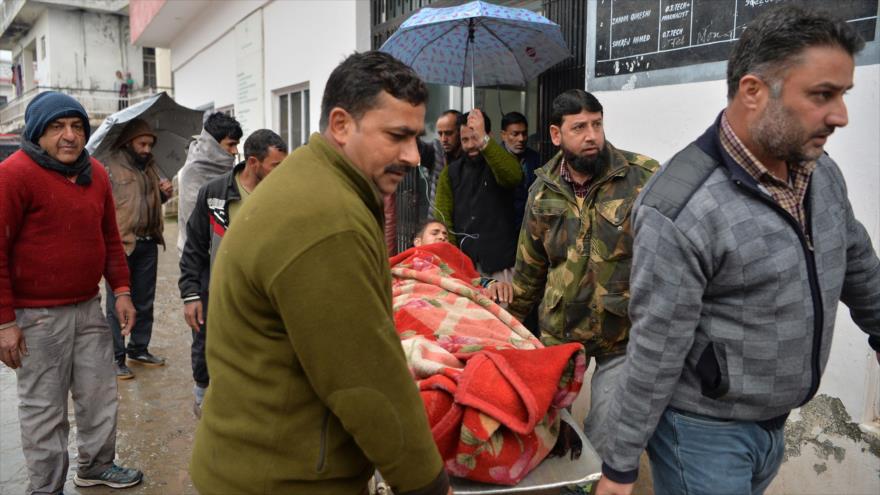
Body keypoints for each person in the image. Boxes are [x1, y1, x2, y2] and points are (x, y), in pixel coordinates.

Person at [596, 6, 880, 495]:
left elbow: (857, 264)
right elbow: (655, 348)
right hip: (703, 435)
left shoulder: (819, 172)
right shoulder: (681, 206)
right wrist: (620, 470)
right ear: (753, 92)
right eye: (822, 95)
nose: (840, 116)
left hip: (773, 424)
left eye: (843, 95)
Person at [189, 51, 451, 495]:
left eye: (416, 137)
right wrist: (427, 483)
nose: (413, 156)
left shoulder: (317, 182)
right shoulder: (328, 219)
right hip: (279, 479)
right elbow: (365, 381)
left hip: (257, 461)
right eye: (396, 136)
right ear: (342, 124)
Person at [0, 91, 143, 493]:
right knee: (44, 412)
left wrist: (122, 290)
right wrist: (5, 322)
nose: (69, 136)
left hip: (88, 308)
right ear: (36, 133)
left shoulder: (95, 173)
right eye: (57, 127)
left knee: (99, 395)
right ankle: (45, 488)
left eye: (77, 126)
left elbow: (110, 239)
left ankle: (96, 465)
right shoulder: (14, 175)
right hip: (36, 318)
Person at [507, 89, 659, 457]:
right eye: (579, 128)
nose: (592, 135)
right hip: (560, 331)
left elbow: (666, 256)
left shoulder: (642, 176)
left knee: (607, 436)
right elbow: (530, 269)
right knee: (550, 431)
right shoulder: (542, 192)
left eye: (597, 124)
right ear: (557, 135)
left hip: (620, 332)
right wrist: (507, 328)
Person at [178, 129, 287, 418]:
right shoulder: (214, 193)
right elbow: (194, 249)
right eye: (275, 166)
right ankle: (203, 401)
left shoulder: (281, 196)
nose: (282, 173)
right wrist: (190, 295)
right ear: (253, 163)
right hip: (215, 293)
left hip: (261, 298)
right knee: (205, 348)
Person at [102, 118, 173, 379]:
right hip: (120, 244)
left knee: (145, 301)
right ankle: (115, 357)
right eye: (142, 143)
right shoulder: (109, 166)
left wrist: (165, 194)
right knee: (117, 303)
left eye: (150, 145)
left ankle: (138, 348)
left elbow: (149, 201)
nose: (146, 149)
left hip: (148, 241)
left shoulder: (151, 167)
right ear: (129, 141)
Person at [434, 109, 523, 281]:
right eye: (464, 139)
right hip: (464, 266)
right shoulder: (450, 173)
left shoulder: (500, 162)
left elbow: (514, 177)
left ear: (487, 134)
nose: (470, 145)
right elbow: (443, 218)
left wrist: (484, 142)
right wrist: (453, 260)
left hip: (501, 265)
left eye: (475, 138)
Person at [176, 112, 242, 257]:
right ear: (213, 144)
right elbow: (195, 223)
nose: (235, 151)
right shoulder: (193, 172)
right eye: (231, 144)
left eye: (236, 145)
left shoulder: (224, 167)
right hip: (196, 257)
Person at [412, 219, 513, 304]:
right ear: (418, 242)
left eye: (446, 236)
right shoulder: (406, 262)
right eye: (435, 233)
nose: (442, 237)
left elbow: (474, 280)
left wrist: (493, 285)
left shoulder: (458, 264)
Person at [500, 111, 542, 230]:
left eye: (524, 133)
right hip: (503, 226)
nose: (521, 139)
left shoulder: (536, 158)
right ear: (503, 135)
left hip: (529, 225)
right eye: (515, 134)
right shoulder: (495, 160)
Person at [428, 109, 463, 208]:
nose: (443, 139)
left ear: (460, 131)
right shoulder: (436, 149)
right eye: (440, 134)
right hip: (438, 220)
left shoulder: (471, 155)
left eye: (448, 133)